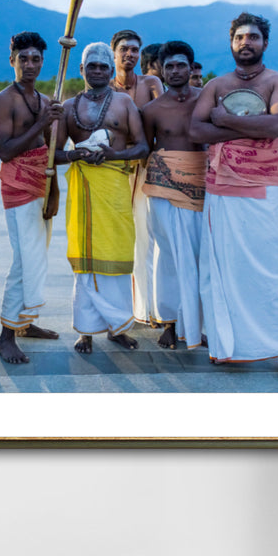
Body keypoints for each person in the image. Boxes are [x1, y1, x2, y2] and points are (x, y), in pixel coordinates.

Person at [188, 12, 278, 382]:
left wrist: (225, 121)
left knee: (269, 271)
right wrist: (249, 127)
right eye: (240, 37)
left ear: (264, 43)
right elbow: (195, 128)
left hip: (263, 189)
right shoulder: (216, 85)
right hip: (221, 190)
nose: (246, 43)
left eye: (253, 37)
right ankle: (228, 347)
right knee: (223, 272)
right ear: (231, 43)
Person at [59, 42, 149, 353]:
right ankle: (86, 331)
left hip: (114, 188)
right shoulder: (69, 107)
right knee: (86, 261)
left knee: (119, 254)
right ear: (81, 70)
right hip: (83, 189)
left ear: (111, 71)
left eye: (103, 66)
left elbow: (142, 147)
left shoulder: (124, 103)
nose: (97, 71)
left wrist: (115, 154)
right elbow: (55, 153)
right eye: (91, 66)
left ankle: (118, 327)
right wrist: (76, 153)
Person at [0, 31, 63, 364]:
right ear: (12, 61)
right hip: (17, 186)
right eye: (24, 59)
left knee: (37, 257)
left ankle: (24, 322)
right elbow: (5, 152)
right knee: (25, 260)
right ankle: (6, 336)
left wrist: (55, 192)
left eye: (36, 59)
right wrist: (41, 124)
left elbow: (49, 153)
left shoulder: (46, 101)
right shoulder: (4, 100)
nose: (30, 65)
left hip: (41, 186)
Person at [139, 40, 207, 349]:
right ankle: (168, 321)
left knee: (198, 256)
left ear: (192, 68)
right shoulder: (151, 110)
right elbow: (145, 149)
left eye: (181, 65)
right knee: (166, 255)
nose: (175, 71)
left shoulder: (207, 101)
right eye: (169, 66)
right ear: (161, 71)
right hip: (163, 188)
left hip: (201, 186)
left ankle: (197, 324)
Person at [111, 29, 162, 327]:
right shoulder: (104, 85)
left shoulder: (151, 84)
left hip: (146, 168)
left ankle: (149, 309)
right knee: (119, 241)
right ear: (113, 53)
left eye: (134, 50)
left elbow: (166, 116)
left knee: (147, 238)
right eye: (124, 50)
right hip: (116, 170)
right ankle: (121, 311)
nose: (129, 55)